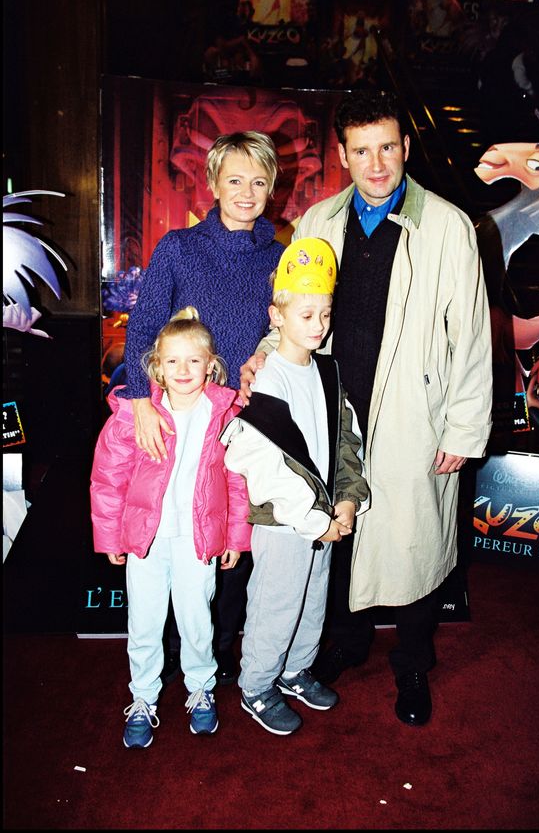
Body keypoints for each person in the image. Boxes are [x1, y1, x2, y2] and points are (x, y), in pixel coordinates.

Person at [241, 90, 493, 726]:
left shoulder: (448, 226)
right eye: (361, 150)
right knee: (340, 538)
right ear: (342, 155)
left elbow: (471, 336)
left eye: (387, 147)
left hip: (416, 412)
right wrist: (263, 358)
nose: (376, 163)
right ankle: (347, 646)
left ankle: (412, 665)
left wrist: (463, 427)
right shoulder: (318, 222)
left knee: (413, 542)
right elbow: (293, 312)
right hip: (331, 409)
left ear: (405, 148)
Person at [118, 131, 283, 687]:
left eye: (259, 181)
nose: (246, 191)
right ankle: (161, 664)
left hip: (246, 426)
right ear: (212, 184)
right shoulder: (178, 248)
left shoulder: (280, 259)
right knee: (174, 536)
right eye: (234, 179)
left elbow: (285, 339)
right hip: (180, 423)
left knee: (234, 540)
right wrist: (141, 401)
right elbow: (143, 327)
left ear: (272, 189)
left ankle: (217, 658)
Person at [220, 238, 370, 735]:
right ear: (277, 316)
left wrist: (347, 499)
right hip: (286, 520)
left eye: (325, 314)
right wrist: (313, 520)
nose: (319, 326)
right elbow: (261, 463)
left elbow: (346, 437)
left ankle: (294, 670)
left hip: (324, 517)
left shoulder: (327, 372)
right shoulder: (267, 380)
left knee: (313, 599)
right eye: (306, 315)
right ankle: (257, 685)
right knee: (277, 601)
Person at [90, 308, 252, 748]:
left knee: (197, 621)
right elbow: (108, 479)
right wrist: (110, 537)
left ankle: (201, 690)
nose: (183, 370)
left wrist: (236, 536)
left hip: (197, 540)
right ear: (156, 367)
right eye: (173, 361)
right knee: (144, 621)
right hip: (146, 540)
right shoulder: (131, 416)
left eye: (193, 361)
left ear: (211, 365)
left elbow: (237, 479)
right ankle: (143, 696)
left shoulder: (223, 415)